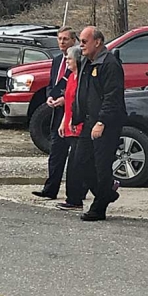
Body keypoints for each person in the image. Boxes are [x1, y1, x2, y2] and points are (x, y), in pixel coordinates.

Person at [71, 26, 127, 221]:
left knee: (102, 166)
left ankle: (99, 208)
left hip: (106, 123)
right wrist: (76, 116)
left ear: (98, 42)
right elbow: (82, 92)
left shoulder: (110, 64)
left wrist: (102, 121)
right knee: (80, 162)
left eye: (84, 42)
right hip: (89, 121)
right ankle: (107, 193)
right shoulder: (87, 62)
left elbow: (112, 96)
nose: (81, 45)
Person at [32, 27, 76, 200]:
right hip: (57, 113)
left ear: (74, 41)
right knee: (56, 151)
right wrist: (50, 97)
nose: (62, 42)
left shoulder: (79, 61)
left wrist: (66, 100)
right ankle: (51, 189)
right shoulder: (57, 60)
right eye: (59, 39)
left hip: (74, 112)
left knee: (79, 155)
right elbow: (52, 84)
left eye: (65, 39)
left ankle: (81, 190)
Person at [55, 45, 88, 211]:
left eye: (69, 58)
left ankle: (75, 198)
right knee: (76, 161)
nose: (67, 60)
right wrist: (63, 121)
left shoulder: (82, 79)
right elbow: (68, 102)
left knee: (76, 163)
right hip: (68, 124)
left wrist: (74, 121)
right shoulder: (72, 77)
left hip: (78, 125)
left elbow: (80, 103)